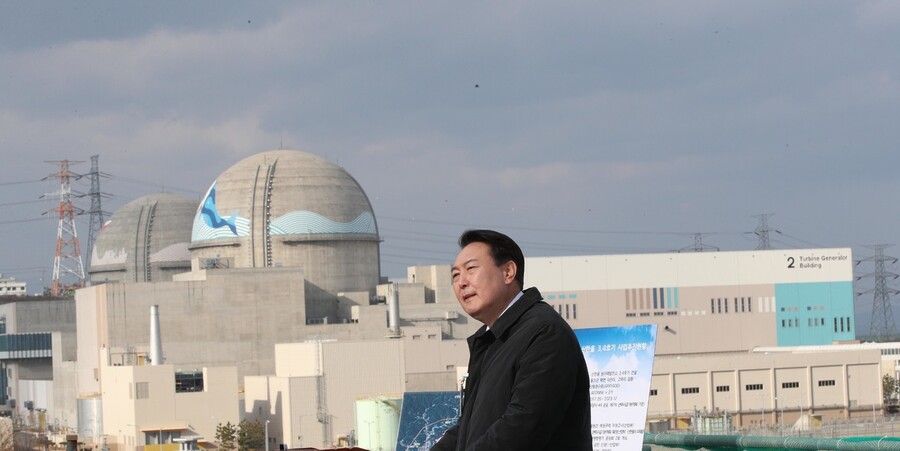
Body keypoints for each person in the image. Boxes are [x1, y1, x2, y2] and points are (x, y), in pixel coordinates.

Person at [432, 229, 592, 451]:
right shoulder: (492, 339)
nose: (461, 282)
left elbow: (523, 426)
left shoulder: (544, 332)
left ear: (508, 272)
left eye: (470, 269)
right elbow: (467, 429)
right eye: (455, 275)